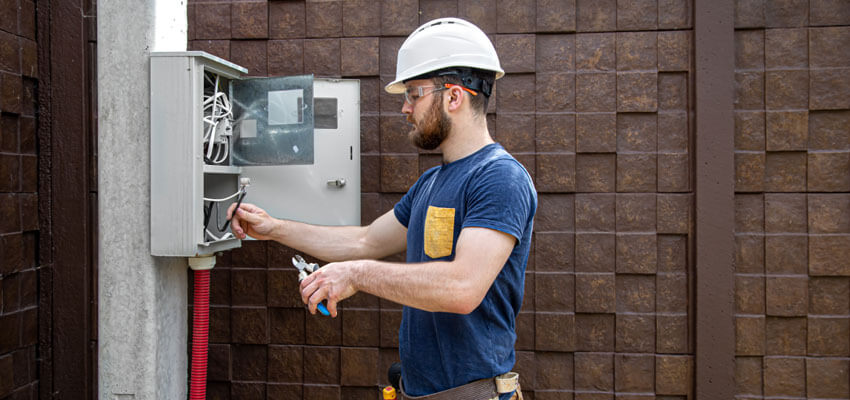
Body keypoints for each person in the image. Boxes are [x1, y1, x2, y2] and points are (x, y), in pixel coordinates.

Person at [228, 17, 536, 400]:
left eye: (414, 94)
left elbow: (462, 287)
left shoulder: (499, 177)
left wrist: (357, 276)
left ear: (454, 97)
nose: (405, 108)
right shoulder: (431, 183)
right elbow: (364, 241)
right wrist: (274, 228)